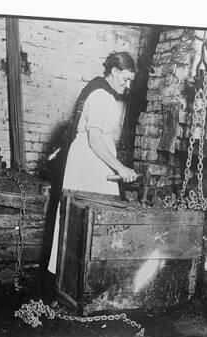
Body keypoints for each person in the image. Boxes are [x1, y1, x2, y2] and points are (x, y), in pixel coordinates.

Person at [47, 51, 138, 274]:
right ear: (115, 72)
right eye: (125, 79)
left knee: (91, 218)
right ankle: (70, 275)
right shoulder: (101, 96)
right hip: (89, 160)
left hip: (93, 160)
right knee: (86, 216)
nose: (127, 86)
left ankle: (81, 274)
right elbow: (95, 141)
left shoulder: (100, 91)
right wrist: (121, 168)